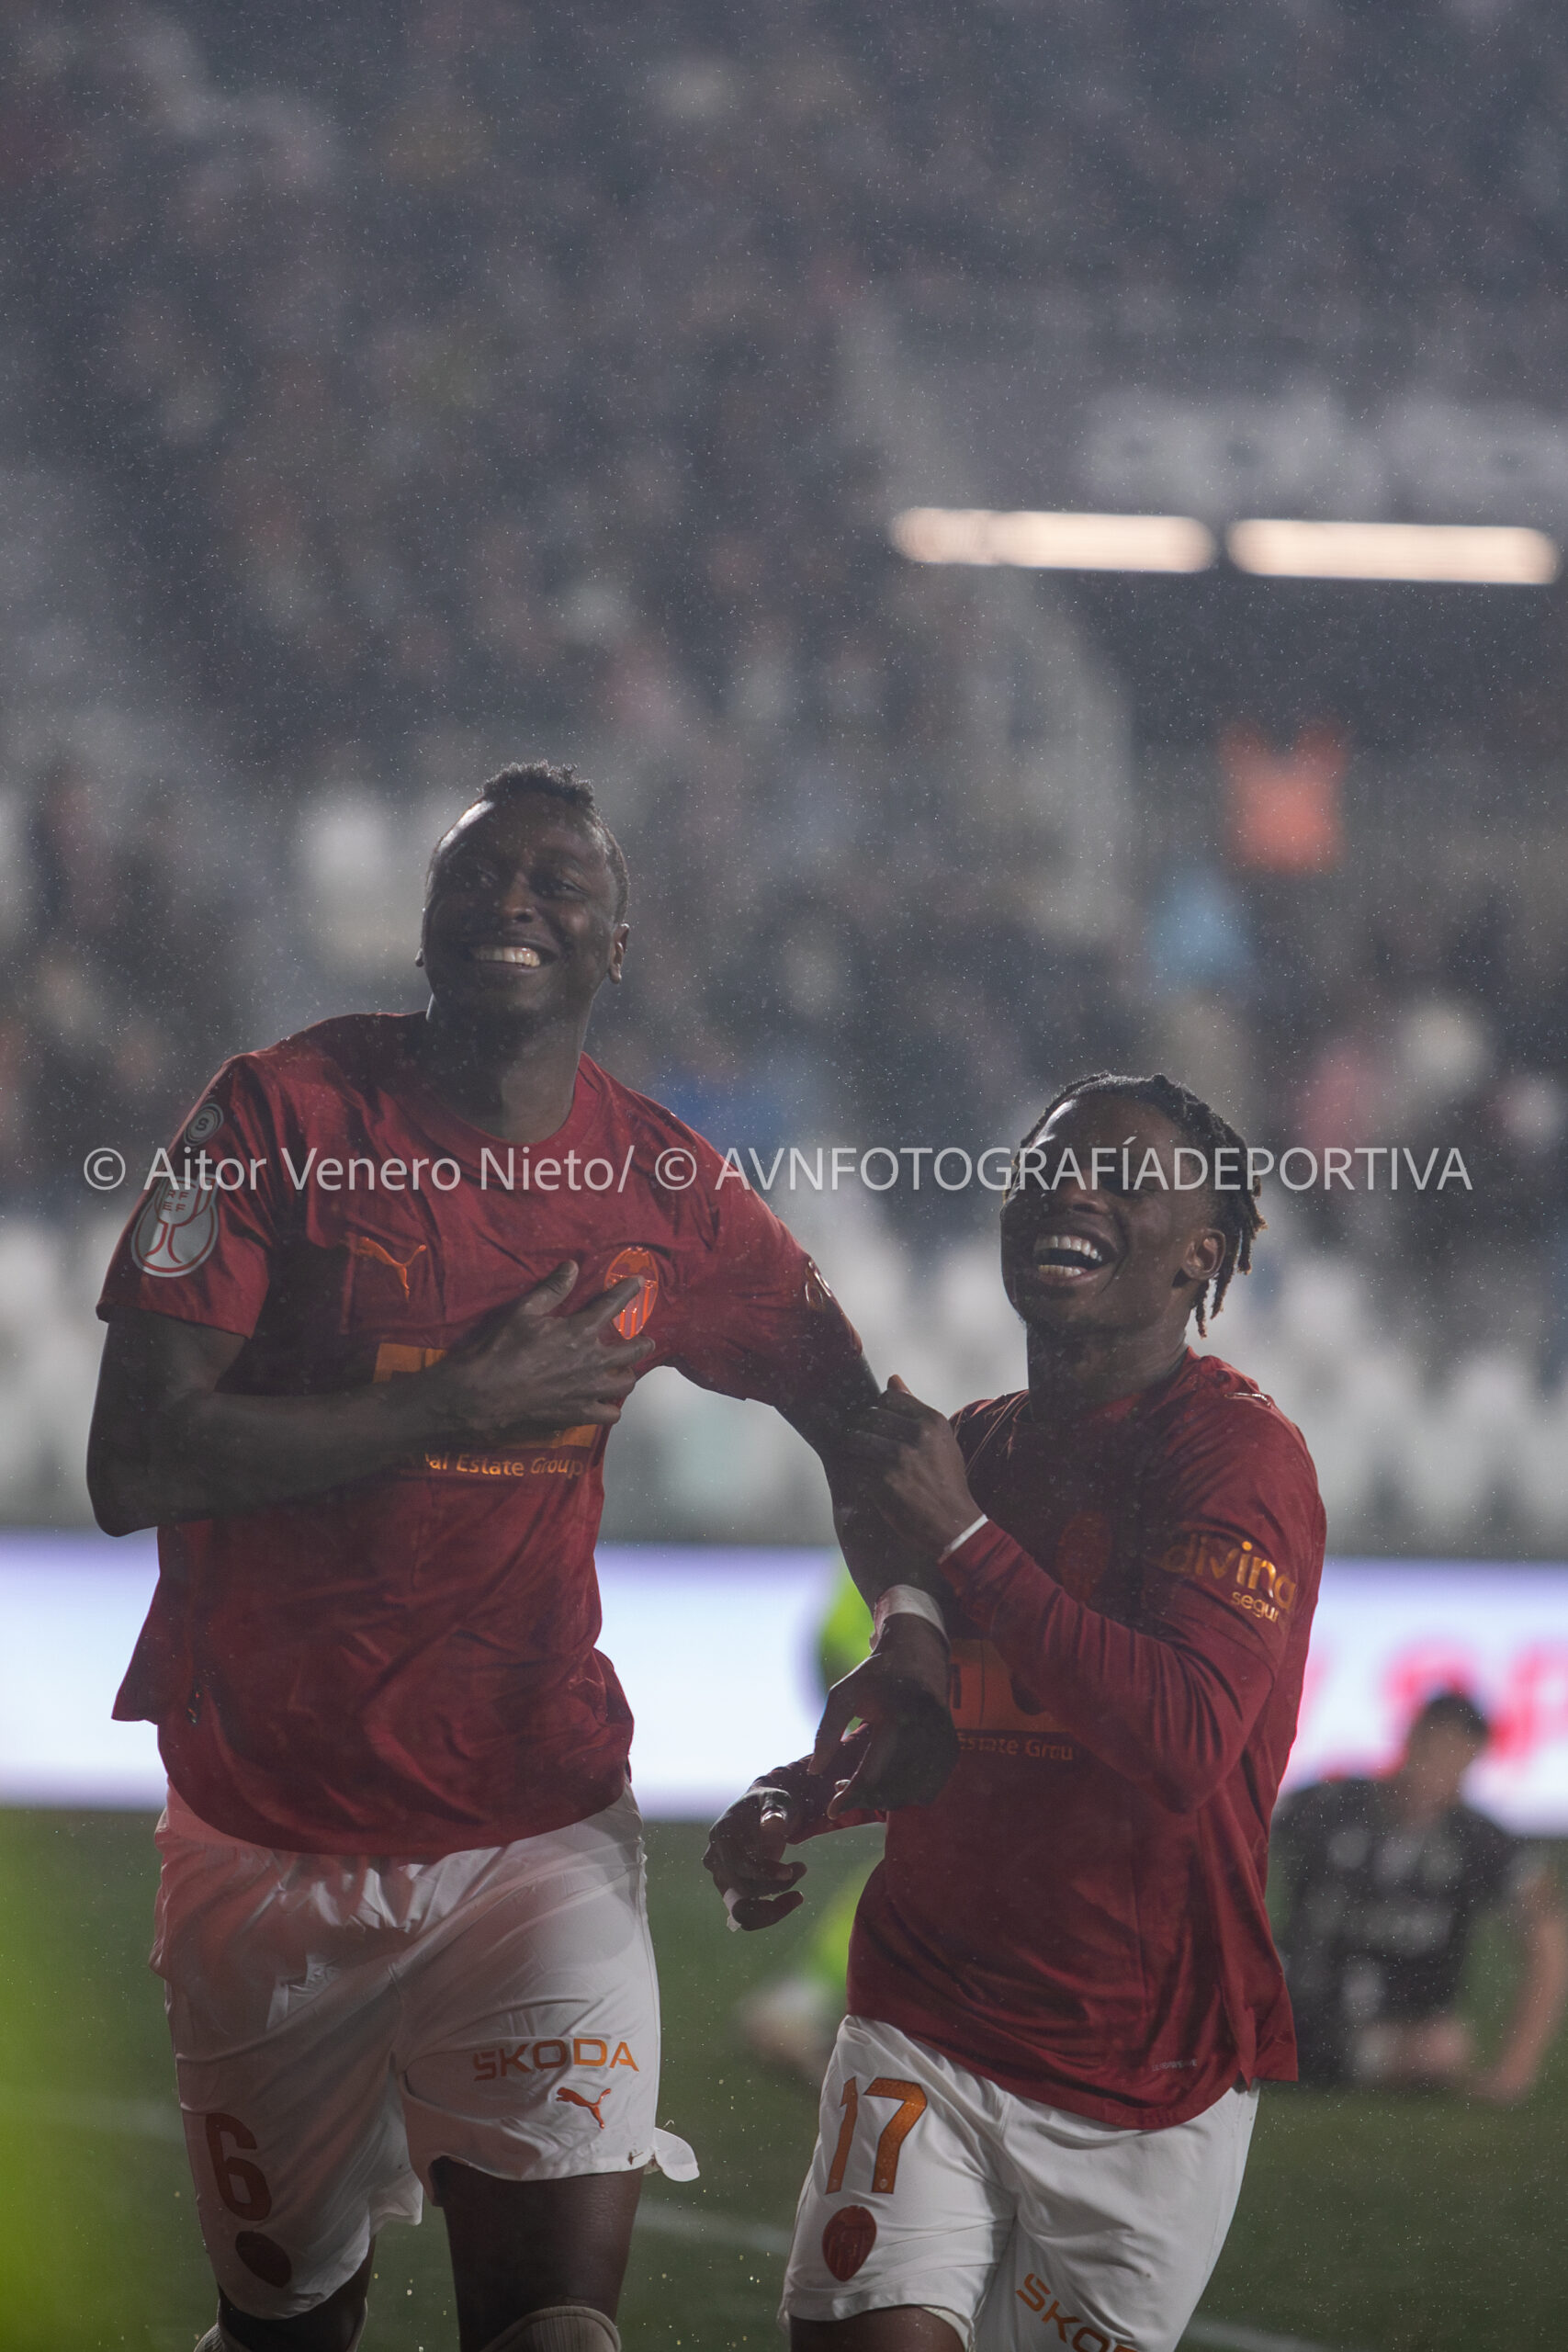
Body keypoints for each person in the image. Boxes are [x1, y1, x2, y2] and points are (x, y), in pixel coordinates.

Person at [86, 763, 952, 2352]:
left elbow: (860, 1423)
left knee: (556, 2325)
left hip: (533, 1826)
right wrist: (456, 1406)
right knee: (287, 2328)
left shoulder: (666, 1189)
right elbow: (131, 1461)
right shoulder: (279, 1116)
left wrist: (911, 1628)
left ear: (616, 945)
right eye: (477, 877)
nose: (513, 903)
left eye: (560, 884)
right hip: (263, 1832)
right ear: (420, 926)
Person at [705, 1071, 1327, 2352]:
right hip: (923, 2021)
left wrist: (964, 1538)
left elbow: (1177, 1741)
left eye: (1122, 1178)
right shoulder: (974, 1450)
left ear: (1199, 1256)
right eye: (1045, 1167)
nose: (1070, 1189)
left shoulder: (1233, 1460)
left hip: (1145, 2077)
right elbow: (947, 1730)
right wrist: (795, 1799)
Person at [1274, 1689, 1568, 2101]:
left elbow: (1548, 1940)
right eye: (1434, 1749)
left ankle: (1310, 2059)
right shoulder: (1330, 1802)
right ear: (1411, 1738)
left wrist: (1514, 2071)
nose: (1438, 1768)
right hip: (1297, 2009)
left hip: (1403, 2033)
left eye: (1455, 1757)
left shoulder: (1478, 1840)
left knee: (1441, 2049)